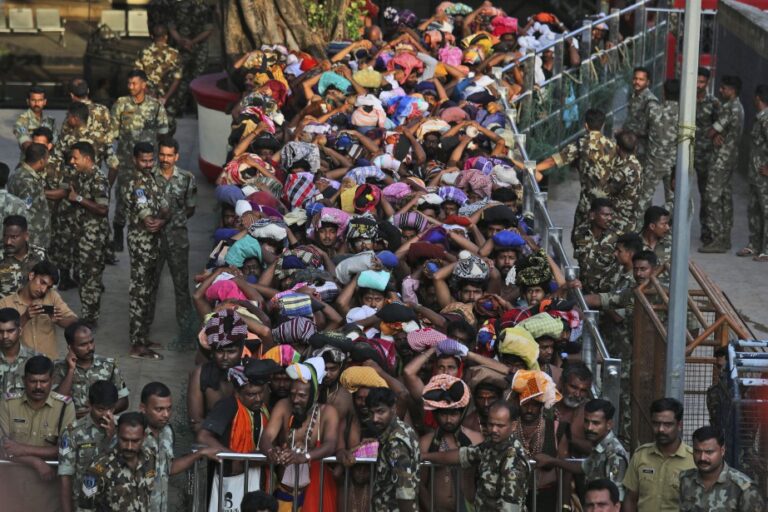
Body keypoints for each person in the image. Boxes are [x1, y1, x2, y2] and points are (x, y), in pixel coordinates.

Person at [513, 108, 615, 240]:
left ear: (586, 125)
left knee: (582, 236)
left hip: (588, 201)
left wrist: (533, 167)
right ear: (602, 125)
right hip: (608, 201)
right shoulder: (612, 146)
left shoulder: (581, 143)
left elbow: (553, 161)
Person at [260, 356, 339, 511]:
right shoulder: (283, 406)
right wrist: (271, 451)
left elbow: (331, 444)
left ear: (314, 394)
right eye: (293, 393)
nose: (295, 399)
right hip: (283, 492)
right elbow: (267, 437)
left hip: (316, 492)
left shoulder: (328, 412)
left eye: (302, 395)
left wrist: (304, 457)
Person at [422, 400, 530, 511]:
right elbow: (461, 455)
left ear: (513, 426)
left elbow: (510, 508)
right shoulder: (491, 445)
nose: (493, 430)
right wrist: (425, 456)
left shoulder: (514, 461)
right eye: (490, 424)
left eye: (500, 426)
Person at [110, 70, 170, 252]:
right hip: (126, 160)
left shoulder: (155, 106)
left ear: (144, 85)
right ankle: (119, 235)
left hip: (148, 162)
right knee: (122, 197)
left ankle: (150, 230)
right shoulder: (121, 104)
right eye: (129, 83)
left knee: (150, 195)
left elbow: (163, 131)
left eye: (134, 83)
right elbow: (113, 132)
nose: (131, 87)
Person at [140, 381, 219, 512]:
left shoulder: (167, 431)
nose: (166, 414)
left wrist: (200, 453)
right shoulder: (132, 433)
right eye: (159, 409)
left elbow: (168, 468)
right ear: (143, 408)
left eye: (169, 408)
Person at [147, 136, 197, 336]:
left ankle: (185, 329)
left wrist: (173, 220)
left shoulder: (186, 178)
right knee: (150, 285)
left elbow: (190, 208)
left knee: (181, 286)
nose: (165, 159)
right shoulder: (148, 176)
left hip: (178, 240)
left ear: (176, 156)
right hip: (152, 241)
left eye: (169, 155)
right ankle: (143, 328)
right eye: (162, 154)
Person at [124, 142, 169, 359]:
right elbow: (150, 220)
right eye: (144, 160)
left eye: (151, 160)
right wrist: (159, 220)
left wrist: (161, 218)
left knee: (150, 292)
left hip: (153, 244)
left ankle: (143, 337)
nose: (149, 164)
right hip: (141, 244)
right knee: (140, 293)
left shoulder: (151, 179)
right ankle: (137, 344)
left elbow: (165, 208)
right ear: (135, 160)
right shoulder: (136, 183)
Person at [535, 398, 629, 502]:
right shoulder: (599, 447)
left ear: (609, 424)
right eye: (586, 421)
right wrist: (552, 461)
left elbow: (616, 500)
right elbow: (584, 467)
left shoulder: (614, 454)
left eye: (595, 423)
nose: (589, 427)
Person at [0, 355, 76, 481]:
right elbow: (3, 448)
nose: (38, 387)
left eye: (44, 381)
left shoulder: (64, 406)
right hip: (12, 483)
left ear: (52, 380)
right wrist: (35, 462)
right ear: (24, 380)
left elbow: (66, 450)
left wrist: (22, 449)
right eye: (33, 381)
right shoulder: (7, 403)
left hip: (48, 486)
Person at [417, 374, 482, 511]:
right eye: (443, 414)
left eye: (453, 414)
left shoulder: (476, 439)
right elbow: (420, 484)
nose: (448, 420)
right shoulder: (426, 443)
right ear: (436, 415)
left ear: (462, 413)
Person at [622, 397, 695, 512]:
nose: (661, 429)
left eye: (668, 425)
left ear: (679, 425)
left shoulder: (693, 460)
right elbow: (631, 499)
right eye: (656, 424)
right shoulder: (641, 456)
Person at [58, 380, 119, 512]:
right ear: (89, 405)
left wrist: (113, 437)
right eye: (100, 409)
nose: (105, 414)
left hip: (116, 504)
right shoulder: (72, 432)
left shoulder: (124, 429)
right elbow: (65, 477)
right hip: (85, 506)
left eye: (110, 409)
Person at [67, 141, 111, 324]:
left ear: (87, 158)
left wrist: (78, 198)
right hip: (82, 235)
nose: (72, 161)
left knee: (91, 279)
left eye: (75, 158)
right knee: (84, 277)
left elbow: (102, 209)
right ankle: (86, 314)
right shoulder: (81, 175)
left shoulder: (98, 179)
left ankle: (90, 319)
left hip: (93, 239)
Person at [700, 75, 744, 253]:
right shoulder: (739, 107)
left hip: (721, 159)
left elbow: (712, 131)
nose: (720, 91)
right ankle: (724, 237)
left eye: (723, 88)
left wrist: (710, 133)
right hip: (730, 157)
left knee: (712, 196)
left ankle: (718, 237)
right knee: (725, 198)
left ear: (731, 90)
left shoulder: (729, 108)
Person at [78, 412, 156, 511]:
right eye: (124, 440)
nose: (129, 447)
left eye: (135, 441)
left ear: (144, 436)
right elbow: (85, 508)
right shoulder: (99, 468)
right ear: (117, 434)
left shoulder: (150, 458)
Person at [0, 260, 77, 359]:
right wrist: (25, 317)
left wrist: (59, 321)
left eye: (48, 287)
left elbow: (74, 320)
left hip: (49, 363)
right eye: (42, 282)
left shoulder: (52, 296)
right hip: (20, 365)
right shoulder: (5, 303)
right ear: (31, 276)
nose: (43, 290)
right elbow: (4, 338)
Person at [53, 321, 129, 419]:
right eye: (83, 345)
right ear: (70, 347)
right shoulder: (59, 367)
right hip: (70, 425)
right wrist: (71, 370)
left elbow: (124, 401)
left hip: (102, 425)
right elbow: (57, 402)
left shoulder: (109, 365)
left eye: (91, 341)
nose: (90, 347)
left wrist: (98, 412)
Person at [679, 425, 765, 511]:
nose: (702, 458)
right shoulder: (686, 480)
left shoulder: (744, 489)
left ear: (722, 451)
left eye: (709, 452)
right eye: (697, 451)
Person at [366, 386, 420, 512]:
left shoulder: (395, 441)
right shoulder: (403, 429)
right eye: (371, 413)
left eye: (380, 412)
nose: (375, 418)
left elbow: (404, 492)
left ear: (393, 409)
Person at [642, 78, 680, 211]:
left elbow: (643, 129)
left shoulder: (653, 110)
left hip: (653, 163)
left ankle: (646, 228)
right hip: (674, 165)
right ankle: (664, 226)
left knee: (643, 201)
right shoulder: (684, 115)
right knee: (674, 201)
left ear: (664, 93)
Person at [739, 84, 768, 261]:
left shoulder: (766, 120)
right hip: (756, 175)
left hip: (764, 177)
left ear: (758, 98)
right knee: (754, 210)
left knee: (766, 210)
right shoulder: (760, 119)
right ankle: (755, 245)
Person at [8, 143, 51, 249]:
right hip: (32, 239)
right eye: (47, 159)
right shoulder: (28, 181)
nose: (47, 162)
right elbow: (25, 209)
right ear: (41, 161)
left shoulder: (18, 173)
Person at [134, 24, 183, 117]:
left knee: (147, 127)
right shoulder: (175, 54)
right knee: (166, 127)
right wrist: (165, 98)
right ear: (166, 37)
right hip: (168, 101)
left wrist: (148, 93)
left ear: (152, 36)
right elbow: (177, 80)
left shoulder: (142, 52)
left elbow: (137, 76)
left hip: (146, 98)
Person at [694, 67, 719, 246]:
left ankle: (707, 230)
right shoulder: (686, 99)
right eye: (696, 81)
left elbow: (719, 127)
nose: (698, 85)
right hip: (686, 153)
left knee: (706, 194)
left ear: (707, 83)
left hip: (705, 155)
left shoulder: (713, 103)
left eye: (702, 82)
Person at [573, 198, 620, 294]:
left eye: (611, 215)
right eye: (605, 215)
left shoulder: (617, 238)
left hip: (605, 294)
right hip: (583, 290)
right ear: (592, 215)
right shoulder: (580, 233)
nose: (610, 218)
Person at [0, 215, 47, 297]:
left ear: (26, 236)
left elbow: (49, 288)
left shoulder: (40, 256)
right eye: (5, 236)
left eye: (13, 237)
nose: (8, 242)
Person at [624, 66, 660, 164]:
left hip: (643, 150)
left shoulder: (650, 101)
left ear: (647, 82)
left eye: (641, 79)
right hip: (632, 147)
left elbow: (655, 128)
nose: (637, 82)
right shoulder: (634, 96)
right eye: (635, 79)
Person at [0, 307, 38, 394]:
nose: (5, 336)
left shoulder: (36, 359)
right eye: (0, 331)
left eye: (10, 331)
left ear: (20, 331)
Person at [13, 86, 56, 151]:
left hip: (48, 159)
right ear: (28, 101)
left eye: (40, 100)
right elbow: (25, 142)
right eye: (33, 100)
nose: (37, 103)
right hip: (31, 159)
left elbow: (55, 141)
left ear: (45, 102)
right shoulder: (22, 120)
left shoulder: (50, 120)